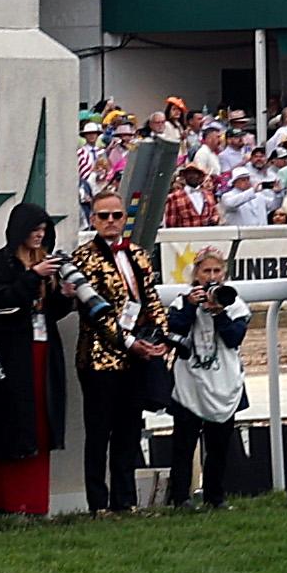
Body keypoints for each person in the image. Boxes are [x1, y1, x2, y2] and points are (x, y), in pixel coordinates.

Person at [66, 190, 171, 514]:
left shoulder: (139, 253)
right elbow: (95, 313)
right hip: (99, 358)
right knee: (99, 433)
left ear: (125, 218)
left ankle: (125, 500)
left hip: (137, 356)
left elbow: (151, 298)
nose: (111, 221)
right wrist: (127, 341)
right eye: (103, 216)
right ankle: (98, 503)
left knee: (129, 429)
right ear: (92, 219)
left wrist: (163, 336)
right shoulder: (84, 258)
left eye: (116, 215)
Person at [0, 202, 76, 519]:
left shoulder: (45, 261)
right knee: (14, 421)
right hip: (13, 352)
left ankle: (33, 502)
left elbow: (50, 311)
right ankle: (2, 498)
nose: (39, 236)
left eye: (44, 231)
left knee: (41, 423)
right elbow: (0, 300)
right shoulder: (0, 262)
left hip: (43, 349)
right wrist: (33, 277)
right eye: (34, 231)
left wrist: (65, 295)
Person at [164, 266, 252, 509]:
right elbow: (173, 330)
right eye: (206, 271)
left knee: (219, 445)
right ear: (196, 275)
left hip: (224, 381)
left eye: (216, 271)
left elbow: (234, 338)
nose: (211, 277)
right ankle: (180, 497)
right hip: (190, 383)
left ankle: (216, 496)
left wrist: (219, 313)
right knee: (183, 443)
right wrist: (192, 305)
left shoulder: (234, 303)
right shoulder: (182, 302)